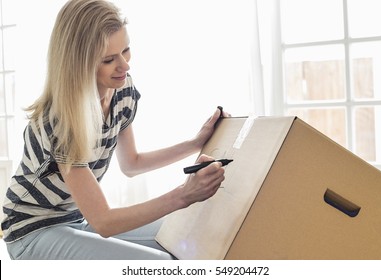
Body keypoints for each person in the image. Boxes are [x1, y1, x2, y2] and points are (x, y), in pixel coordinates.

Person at [1, 0, 228, 260]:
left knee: (183, 238)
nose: (125, 65)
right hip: (30, 231)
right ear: (79, 64)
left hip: (73, 220)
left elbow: (132, 164)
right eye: (109, 59)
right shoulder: (60, 120)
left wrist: (195, 142)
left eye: (126, 50)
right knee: (159, 264)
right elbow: (104, 223)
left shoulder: (122, 91)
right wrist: (185, 195)